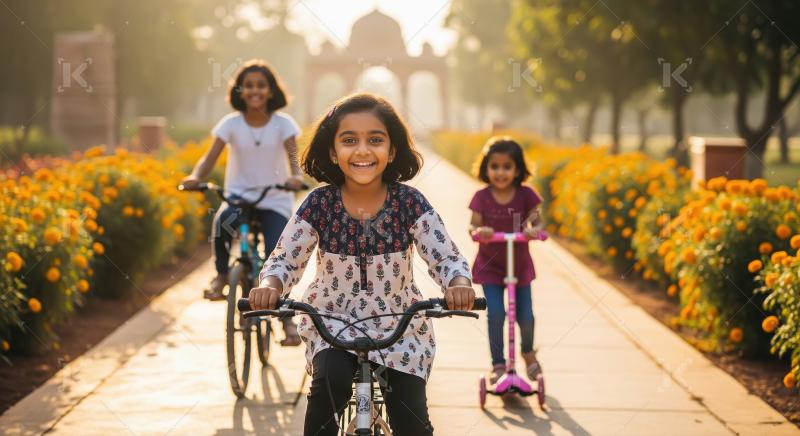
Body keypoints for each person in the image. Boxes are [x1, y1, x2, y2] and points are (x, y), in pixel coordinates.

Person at [248, 93, 476, 435]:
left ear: (392, 150)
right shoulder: (319, 204)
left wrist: (457, 284)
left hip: (399, 326)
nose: (363, 150)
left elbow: (444, 255)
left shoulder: (409, 203)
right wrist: (270, 286)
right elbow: (285, 257)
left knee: (411, 418)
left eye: (376, 140)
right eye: (349, 140)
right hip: (332, 324)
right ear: (332, 152)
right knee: (329, 388)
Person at [182, 60, 303, 345]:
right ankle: (223, 275)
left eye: (261, 85)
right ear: (240, 91)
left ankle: (287, 320)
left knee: (277, 254)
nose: (255, 91)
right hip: (238, 196)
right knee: (222, 223)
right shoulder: (231, 124)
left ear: (271, 91)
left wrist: (296, 177)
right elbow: (209, 158)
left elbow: (294, 158)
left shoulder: (283, 123)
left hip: (274, 198)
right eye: (249, 86)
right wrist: (196, 176)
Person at [468, 136, 544, 384]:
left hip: (519, 267)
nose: (500, 172)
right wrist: (480, 232)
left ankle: (528, 353)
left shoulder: (526, 195)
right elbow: (473, 226)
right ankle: (498, 364)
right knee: (497, 314)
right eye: (494, 166)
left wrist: (535, 229)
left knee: (526, 315)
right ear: (486, 168)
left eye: (507, 167)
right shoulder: (481, 197)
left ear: (518, 169)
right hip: (490, 267)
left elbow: (538, 220)